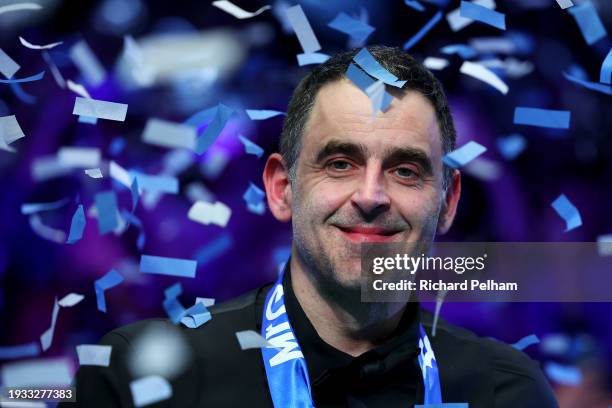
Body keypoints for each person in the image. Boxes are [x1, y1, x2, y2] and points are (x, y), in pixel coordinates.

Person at [62, 46, 558, 407]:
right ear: (280, 189)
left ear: (448, 203)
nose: (370, 196)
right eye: (340, 163)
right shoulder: (134, 381)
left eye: (406, 170)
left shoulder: (507, 390)